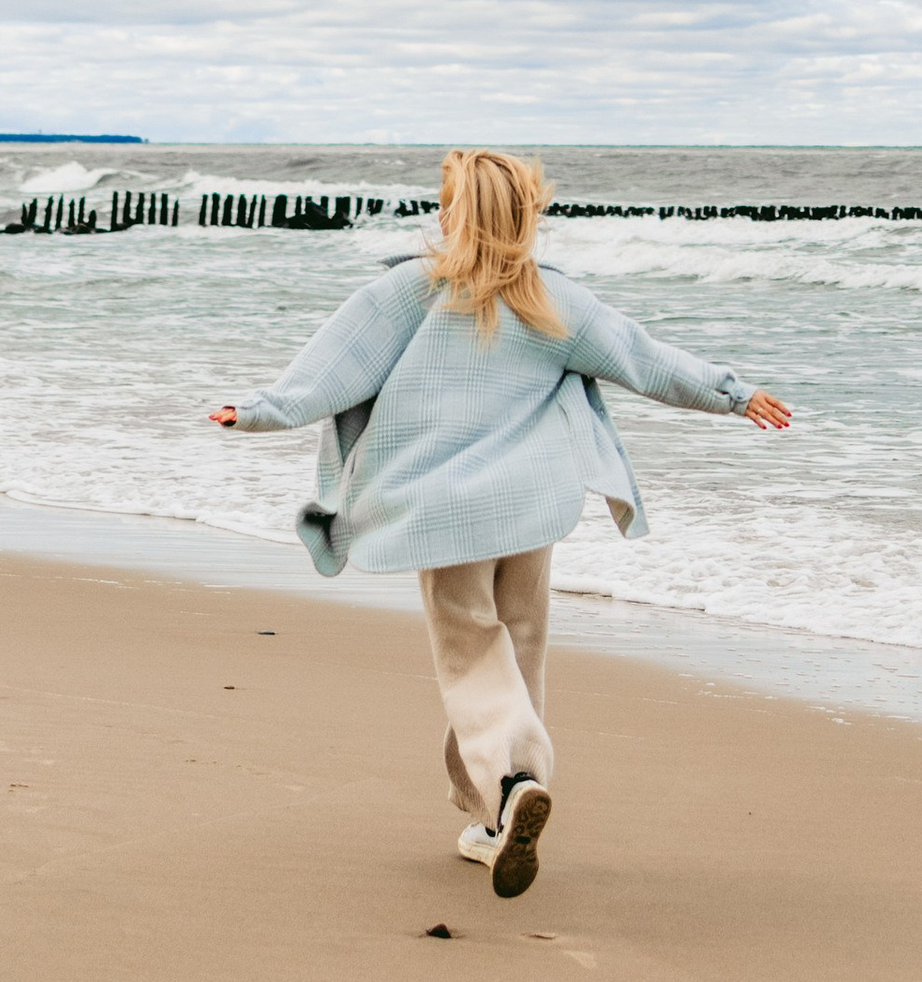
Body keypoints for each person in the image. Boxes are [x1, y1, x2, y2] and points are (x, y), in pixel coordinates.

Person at [209, 147, 792, 896]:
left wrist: (258, 411)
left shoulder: (411, 291)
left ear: (455, 214)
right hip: (532, 505)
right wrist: (734, 395)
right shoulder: (554, 300)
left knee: (473, 655)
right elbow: (644, 360)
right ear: (526, 215)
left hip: (444, 509)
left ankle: (513, 783)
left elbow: (332, 369)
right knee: (519, 648)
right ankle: (495, 820)